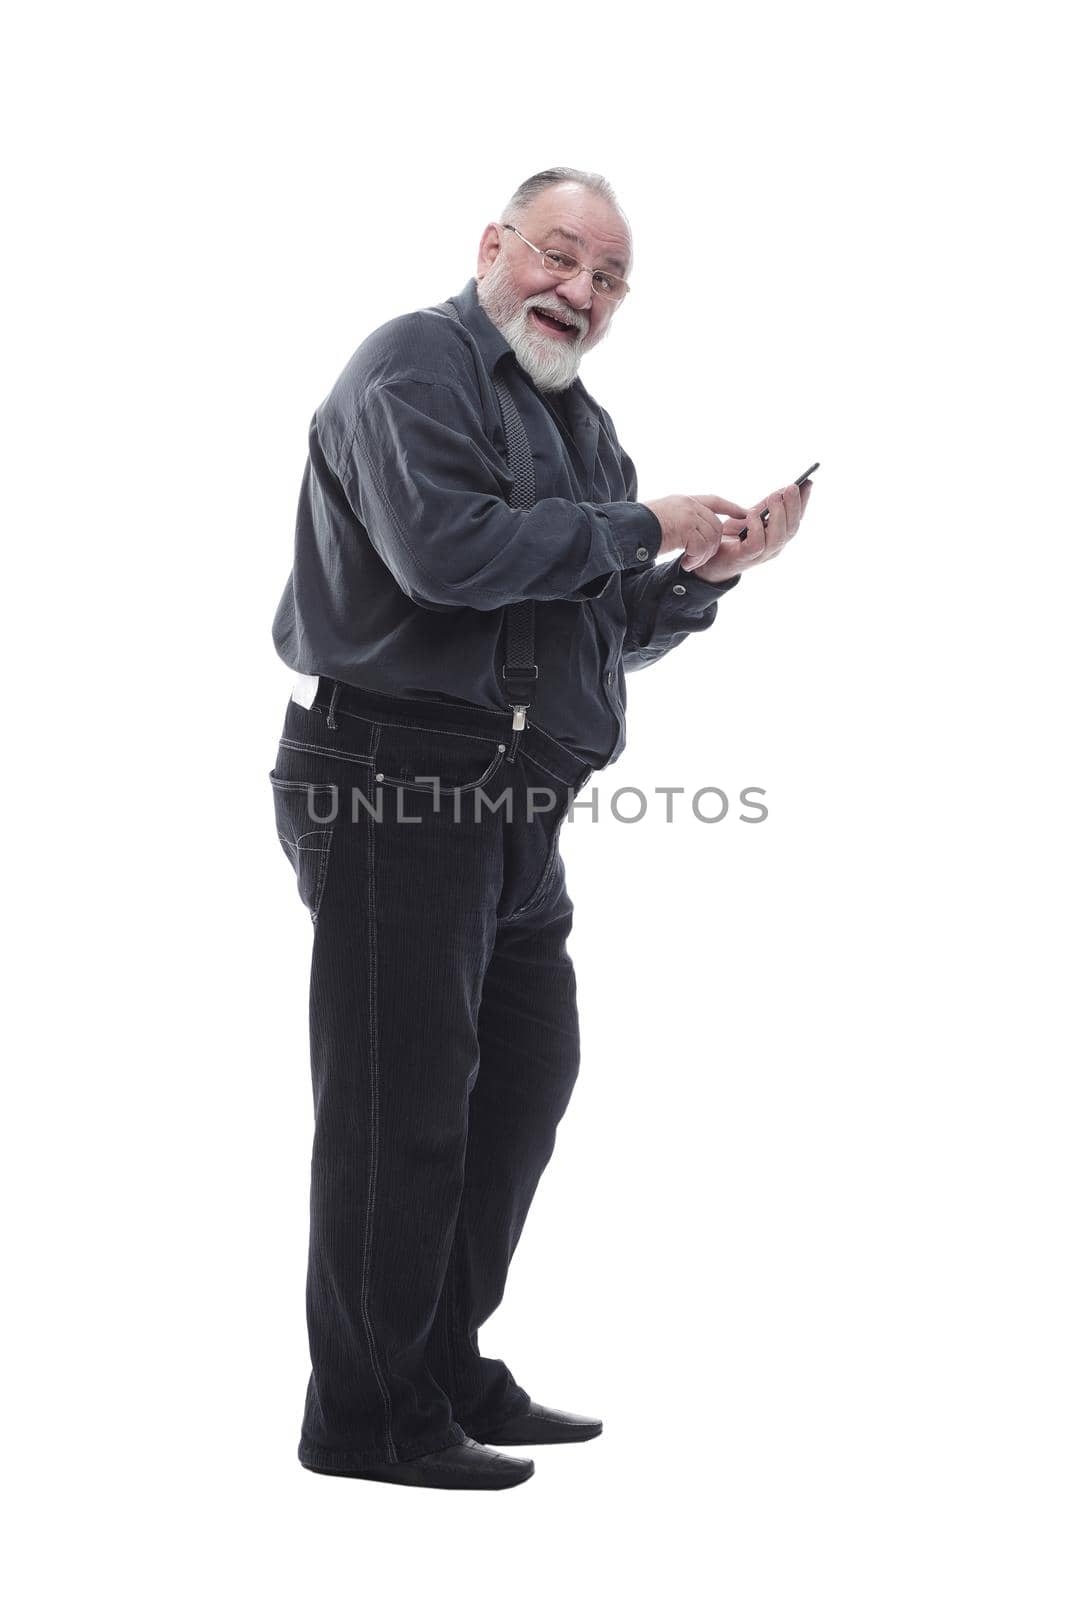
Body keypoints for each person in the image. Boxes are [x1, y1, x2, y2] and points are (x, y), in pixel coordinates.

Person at [268, 166, 812, 1491]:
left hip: (515, 806)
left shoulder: (584, 431)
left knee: (519, 1083)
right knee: (400, 1109)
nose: (578, 290)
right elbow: (445, 555)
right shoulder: (416, 364)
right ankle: (366, 1418)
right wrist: (636, 524)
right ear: (494, 246)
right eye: (559, 257)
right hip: (394, 775)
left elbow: (595, 625)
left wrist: (696, 579)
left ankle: (439, 1364)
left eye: (607, 278)